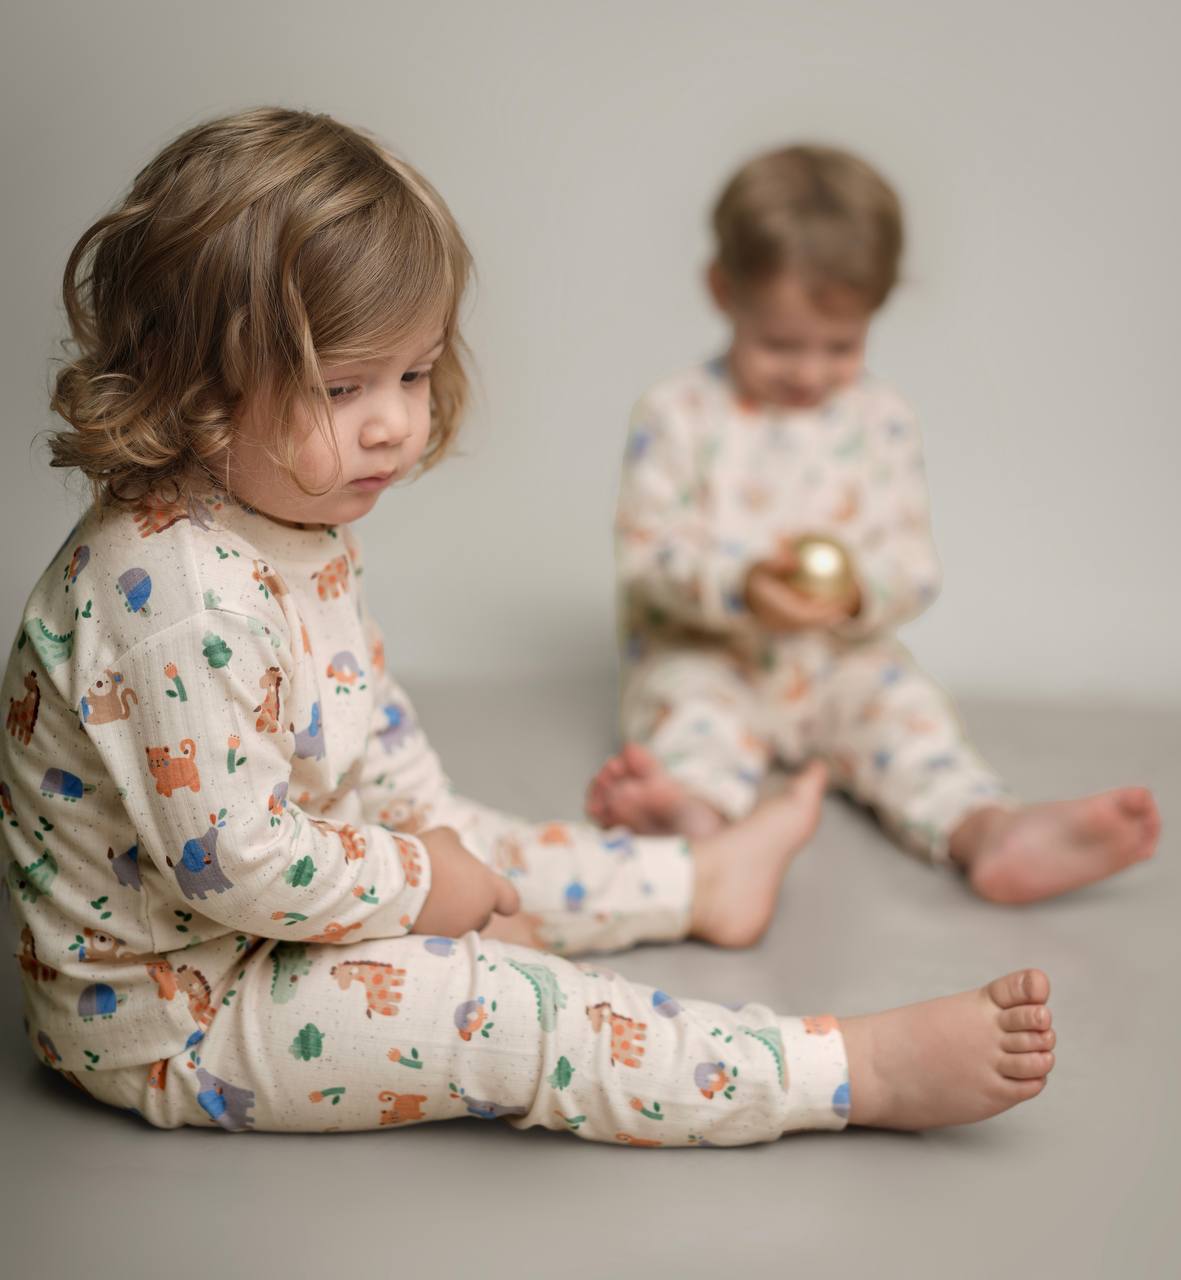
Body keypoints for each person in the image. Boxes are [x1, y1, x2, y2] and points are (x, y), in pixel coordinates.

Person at [1, 110, 1054, 1140]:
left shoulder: (286, 516)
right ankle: (842, 1068)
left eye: (414, 373)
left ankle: (698, 880)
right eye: (343, 385)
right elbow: (234, 862)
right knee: (514, 1012)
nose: (394, 422)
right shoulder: (176, 597)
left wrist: (442, 846)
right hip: (185, 1010)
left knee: (490, 844)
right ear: (195, 381)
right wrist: (424, 887)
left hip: (285, 904)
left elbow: (364, 721)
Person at [589, 144, 1159, 906]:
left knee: (906, 715)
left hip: (838, 662)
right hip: (715, 656)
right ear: (722, 290)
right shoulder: (677, 414)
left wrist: (855, 592)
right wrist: (742, 587)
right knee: (690, 719)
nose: (809, 372)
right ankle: (700, 831)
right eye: (779, 344)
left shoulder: (881, 420)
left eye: (840, 347)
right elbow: (646, 559)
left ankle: (986, 831)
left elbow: (914, 568)